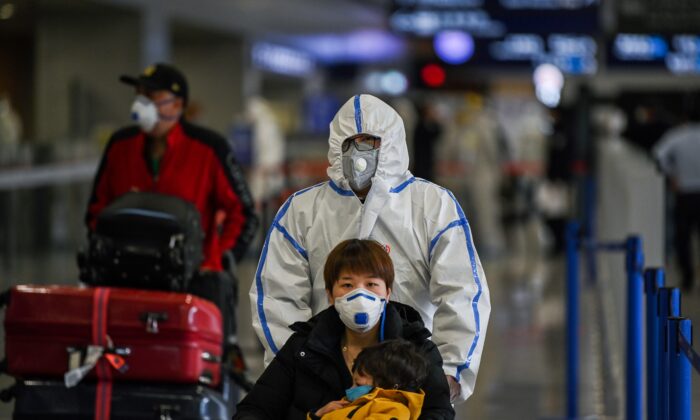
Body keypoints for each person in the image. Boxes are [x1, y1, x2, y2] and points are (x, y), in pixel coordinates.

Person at [250, 94, 490, 403]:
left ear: (390, 143)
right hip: (325, 377)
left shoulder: (432, 206)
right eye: (350, 142)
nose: (358, 153)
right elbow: (276, 298)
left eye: (370, 142)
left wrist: (449, 373)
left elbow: (462, 292)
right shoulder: (303, 211)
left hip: (409, 374)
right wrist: (300, 371)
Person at [85, 63, 258, 344]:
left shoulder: (210, 148)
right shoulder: (120, 146)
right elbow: (97, 210)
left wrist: (218, 260)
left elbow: (245, 213)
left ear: (177, 105)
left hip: (193, 284)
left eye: (151, 97)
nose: (142, 103)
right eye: (139, 95)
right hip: (126, 280)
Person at [236, 239, 453, 420]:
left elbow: (439, 412)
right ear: (330, 294)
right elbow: (252, 412)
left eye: (371, 285)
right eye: (347, 285)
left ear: (387, 292)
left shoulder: (416, 349)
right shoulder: (303, 348)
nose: (360, 295)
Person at [311, 339, 428, 420]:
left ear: (391, 385)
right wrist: (318, 415)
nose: (350, 390)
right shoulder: (350, 405)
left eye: (358, 384)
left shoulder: (394, 410)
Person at [653, 105, 700, 292]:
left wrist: (671, 175)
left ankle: (688, 278)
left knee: (683, 238)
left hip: (685, 192)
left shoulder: (677, 136)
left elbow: (658, 156)